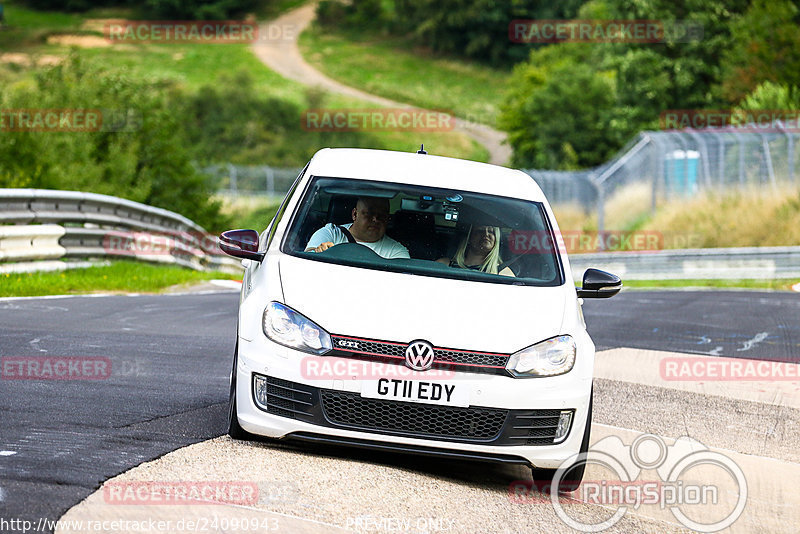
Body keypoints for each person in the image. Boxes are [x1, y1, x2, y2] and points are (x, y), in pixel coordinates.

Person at [305, 197, 410, 259]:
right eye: (369, 213)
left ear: (388, 219)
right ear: (354, 214)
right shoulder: (331, 234)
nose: (375, 219)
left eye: (382, 215)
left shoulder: (397, 252)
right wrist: (319, 251)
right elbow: (307, 259)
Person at [437, 224, 514, 276]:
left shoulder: (503, 273)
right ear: (469, 238)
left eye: (491, 232)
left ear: (496, 240)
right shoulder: (444, 265)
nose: (486, 234)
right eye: (480, 231)